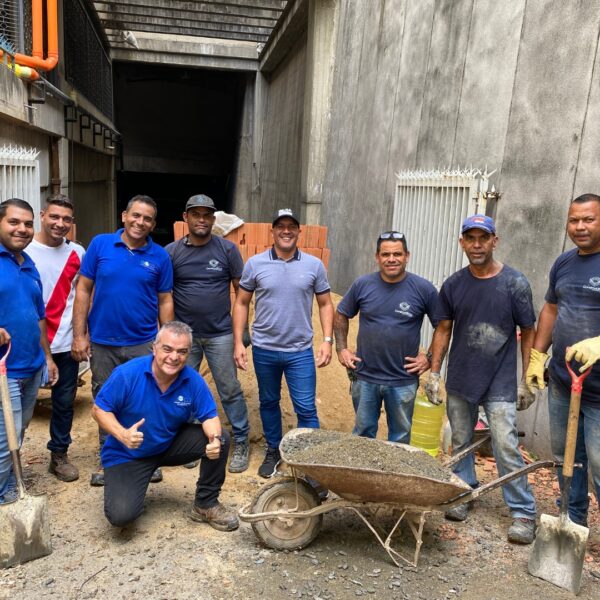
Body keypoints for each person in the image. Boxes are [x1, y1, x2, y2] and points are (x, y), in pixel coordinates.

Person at [425, 214, 537, 544]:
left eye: (483, 238)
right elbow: (443, 329)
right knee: (461, 440)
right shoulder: (454, 285)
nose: (477, 244)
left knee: (504, 443)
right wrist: (434, 372)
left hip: (500, 380)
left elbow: (528, 331)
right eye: (470, 238)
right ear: (462, 243)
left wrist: (527, 378)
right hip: (461, 376)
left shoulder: (515, 284)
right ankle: (464, 492)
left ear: (494, 241)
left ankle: (522, 511)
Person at [92, 320, 238, 531]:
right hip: (128, 453)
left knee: (222, 438)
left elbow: (209, 417)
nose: (174, 357)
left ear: (188, 354)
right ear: (154, 347)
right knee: (121, 516)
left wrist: (214, 440)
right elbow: (99, 410)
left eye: (181, 352)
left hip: (168, 445)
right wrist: (123, 435)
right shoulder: (128, 374)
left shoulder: (192, 380)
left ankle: (205, 504)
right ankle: (132, 483)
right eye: (167, 349)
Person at [72, 195, 174, 486]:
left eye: (147, 219)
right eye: (136, 216)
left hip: (143, 342)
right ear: (124, 216)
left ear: (153, 224)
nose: (140, 222)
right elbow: (83, 290)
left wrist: (166, 343)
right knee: (106, 399)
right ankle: (111, 461)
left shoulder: (160, 256)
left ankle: (147, 459)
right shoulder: (100, 245)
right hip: (103, 343)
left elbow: (165, 299)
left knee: (147, 399)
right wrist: (79, 335)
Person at [233, 208, 334, 478]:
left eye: (291, 226)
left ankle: (309, 461)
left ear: (299, 231)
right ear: (273, 231)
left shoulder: (313, 265)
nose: (286, 230)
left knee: (306, 408)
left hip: (299, 351)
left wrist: (327, 340)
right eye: (281, 226)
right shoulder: (255, 264)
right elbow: (241, 302)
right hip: (265, 349)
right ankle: (274, 451)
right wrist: (238, 342)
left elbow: (325, 303)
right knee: (268, 402)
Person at [526, 193, 600, 526]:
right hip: (563, 381)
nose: (580, 227)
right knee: (565, 458)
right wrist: (537, 356)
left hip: (599, 393)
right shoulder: (564, 263)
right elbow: (551, 309)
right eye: (574, 220)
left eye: (589, 219)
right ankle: (572, 522)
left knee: (599, 465)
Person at [166, 194, 250, 473]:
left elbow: (242, 295)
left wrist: (242, 334)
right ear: (186, 217)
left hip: (220, 334)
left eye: (207, 215)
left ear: (213, 219)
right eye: (196, 214)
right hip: (184, 339)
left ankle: (240, 441)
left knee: (229, 389)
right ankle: (191, 444)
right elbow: (164, 296)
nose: (202, 220)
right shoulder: (172, 252)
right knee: (184, 389)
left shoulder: (226, 250)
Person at [334, 231, 438, 442]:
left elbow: (443, 327)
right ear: (377, 257)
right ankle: (364, 474)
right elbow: (341, 314)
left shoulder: (423, 289)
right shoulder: (363, 285)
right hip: (365, 378)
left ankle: (394, 476)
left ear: (407, 256)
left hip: (402, 381)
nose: (392, 259)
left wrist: (428, 358)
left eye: (397, 254)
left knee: (400, 437)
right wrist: (341, 348)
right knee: (363, 435)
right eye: (386, 254)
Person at [0, 198, 58, 503]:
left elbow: (39, 317)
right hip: (3, 369)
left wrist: (47, 358)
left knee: (18, 430)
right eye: (13, 222)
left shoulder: (27, 262)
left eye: (27, 224)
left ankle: (9, 479)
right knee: (2, 437)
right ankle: (3, 495)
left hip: (32, 364)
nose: (22, 229)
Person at [27, 195, 85, 482]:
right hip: (25, 344)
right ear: (42, 215)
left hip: (63, 344)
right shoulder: (22, 249)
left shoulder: (78, 253)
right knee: (17, 405)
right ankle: (9, 460)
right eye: (55, 217)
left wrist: (81, 334)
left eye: (66, 219)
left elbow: (84, 296)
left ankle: (58, 455)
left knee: (63, 404)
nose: (60, 224)